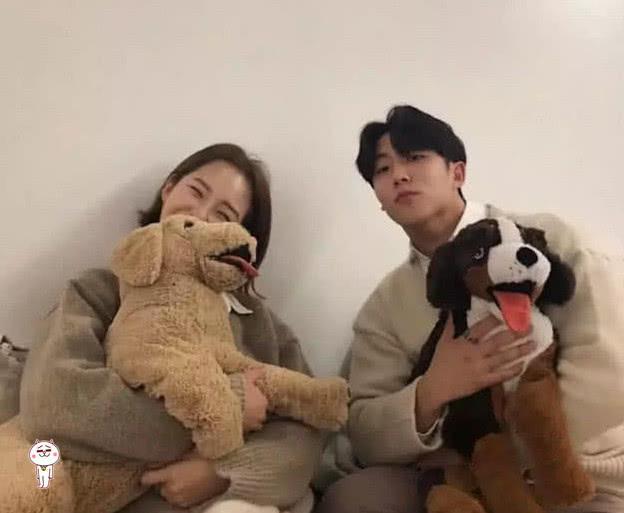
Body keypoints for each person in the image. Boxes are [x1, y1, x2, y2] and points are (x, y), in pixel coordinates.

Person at [316, 106, 624, 513]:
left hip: (574, 470)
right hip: (453, 477)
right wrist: (432, 390)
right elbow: (366, 429)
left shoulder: (550, 243)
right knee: (355, 498)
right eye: (383, 169)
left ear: (457, 172)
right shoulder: (385, 305)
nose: (399, 175)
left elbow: (609, 372)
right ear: (378, 197)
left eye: (414, 157)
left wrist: (502, 453)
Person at [19, 143, 323, 513]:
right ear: (168, 189)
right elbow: (55, 404)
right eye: (196, 191)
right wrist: (224, 409)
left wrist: (222, 472)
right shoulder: (96, 291)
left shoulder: (261, 324)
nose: (200, 214)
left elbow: (306, 431)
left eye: (224, 214)